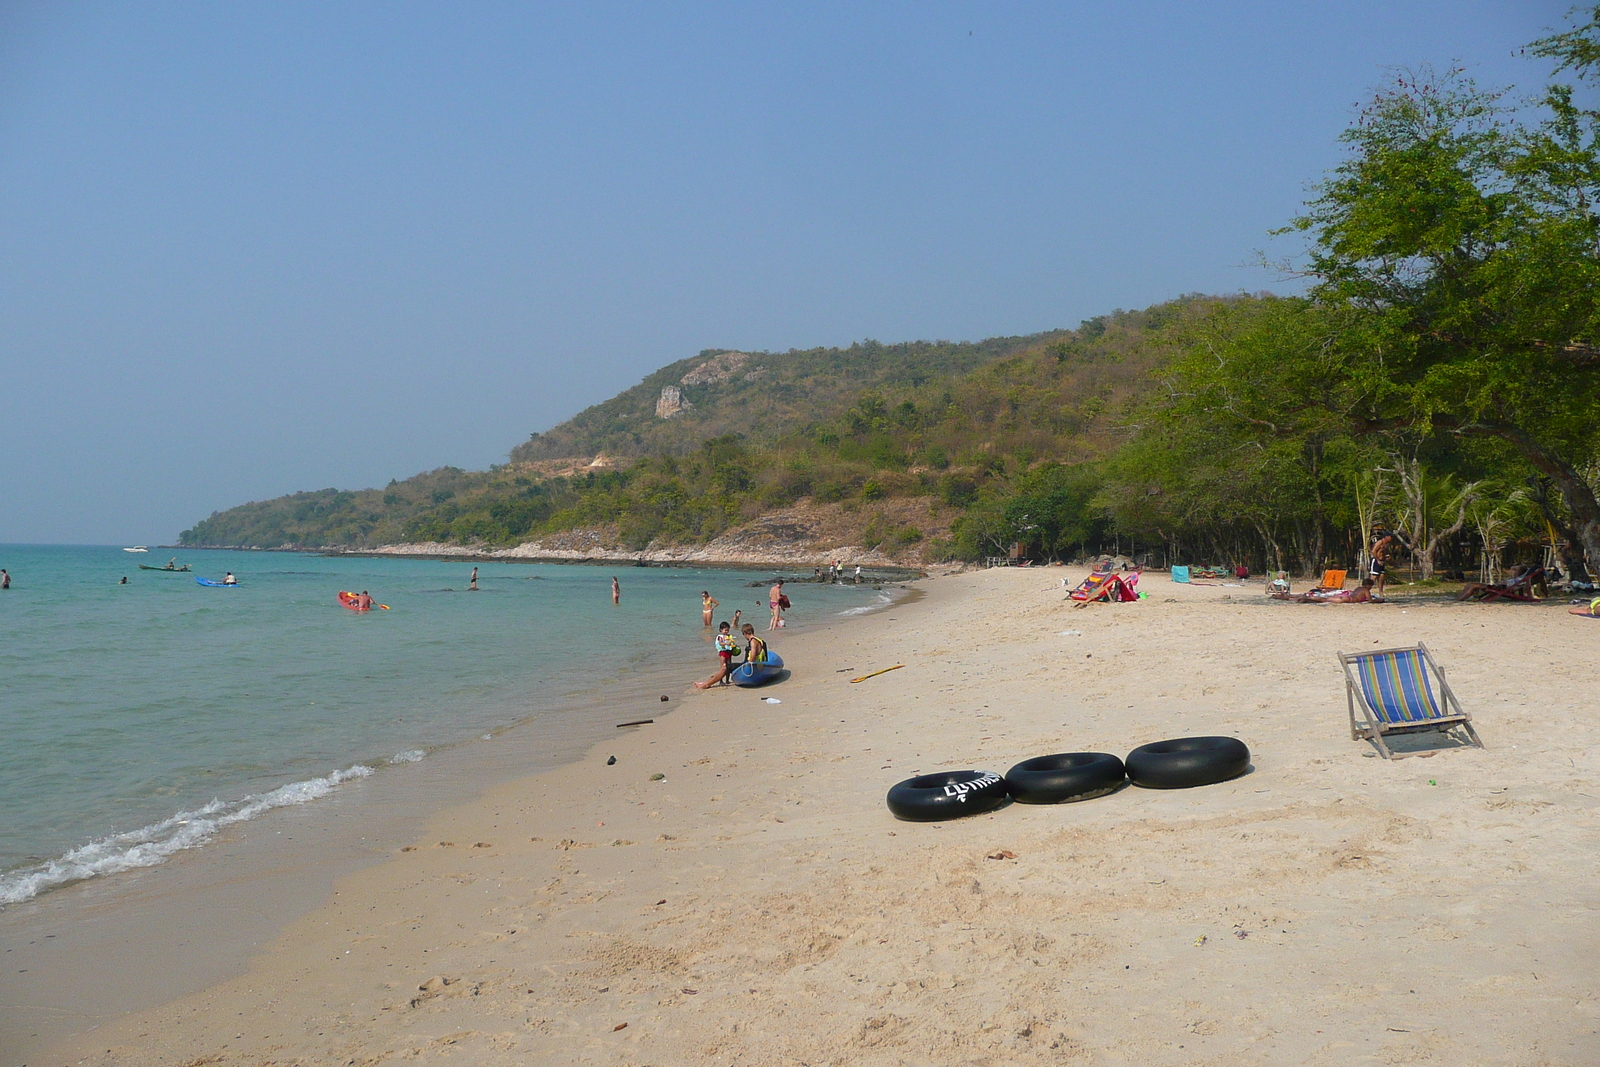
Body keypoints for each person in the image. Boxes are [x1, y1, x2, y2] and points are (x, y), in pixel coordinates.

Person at [694, 622, 738, 688]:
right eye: (725, 630)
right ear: (721, 630)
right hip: (723, 653)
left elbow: (732, 643)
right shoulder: (720, 636)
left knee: (729, 666)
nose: (726, 631)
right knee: (722, 666)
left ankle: (727, 680)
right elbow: (720, 643)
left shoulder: (729, 636)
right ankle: (721, 680)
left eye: (727, 630)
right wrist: (726, 643)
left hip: (729, 652)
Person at [1369, 525, 1396, 597]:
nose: (1391, 538)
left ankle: (1381, 592)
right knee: (1374, 577)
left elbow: (1382, 553)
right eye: (1390, 537)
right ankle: (1365, 591)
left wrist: (1386, 558)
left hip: (1382, 561)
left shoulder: (1386, 544)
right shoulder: (1380, 542)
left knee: (1382, 577)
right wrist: (1378, 560)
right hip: (1376, 561)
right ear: (1386, 537)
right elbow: (1373, 551)